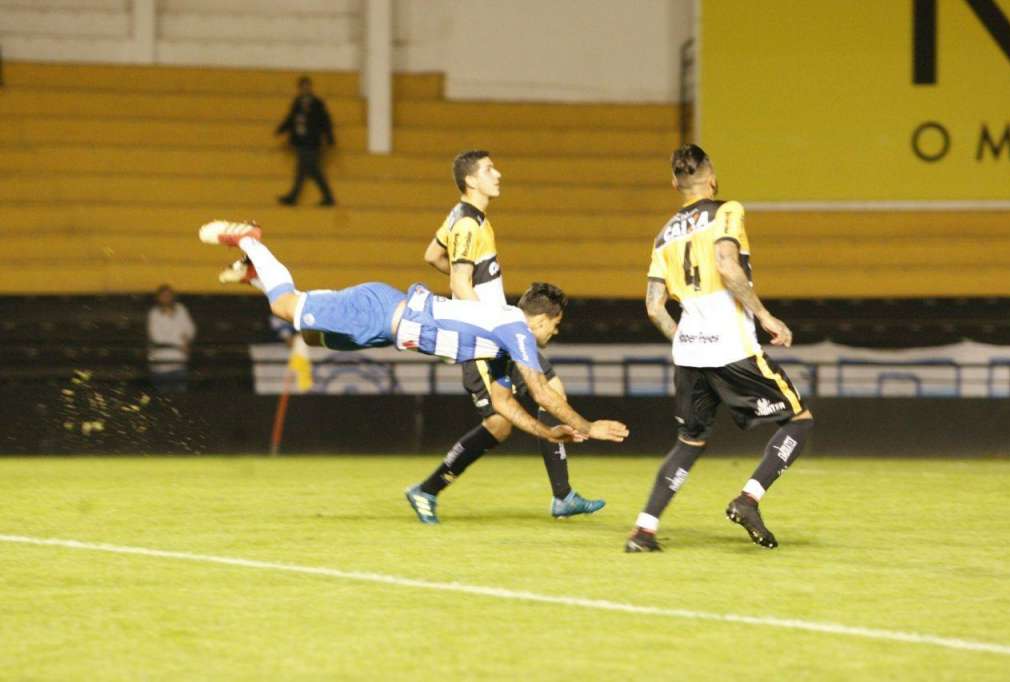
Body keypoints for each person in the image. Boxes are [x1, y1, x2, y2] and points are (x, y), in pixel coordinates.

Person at [201, 221, 629, 483]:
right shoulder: (515, 327)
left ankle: (256, 276)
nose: (554, 333)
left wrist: (547, 432)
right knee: (285, 306)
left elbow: (503, 402)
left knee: (313, 338)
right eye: (556, 325)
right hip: (379, 311)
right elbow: (542, 394)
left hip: (382, 332)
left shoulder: (496, 343)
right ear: (541, 319)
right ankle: (250, 241)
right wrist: (586, 427)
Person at [624, 145, 814, 553]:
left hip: (689, 353)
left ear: (676, 183)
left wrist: (687, 339)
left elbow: (654, 307)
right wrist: (766, 317)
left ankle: (644, 530)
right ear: (711, 178)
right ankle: (749, 499)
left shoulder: (663, 236)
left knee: (689, 441)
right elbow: (727, 265)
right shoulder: (727, 210)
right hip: (732, 345)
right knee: (799, 421)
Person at [408, 150, 605, 523]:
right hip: (486, 339)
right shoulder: (468, 224)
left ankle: (562, 496)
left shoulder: (466, 218)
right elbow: (459, 282)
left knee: (550, 389)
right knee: (499, 424)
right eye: (488, 169)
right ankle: (427, 490)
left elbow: (433, 254)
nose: (497, 174)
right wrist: (487, 323)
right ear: (471, 181)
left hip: (495, 332)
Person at [275, 76, 336, 207]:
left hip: (312, 142)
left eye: (307, 86)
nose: (305, 89)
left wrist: (330, 137)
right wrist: (282, 129)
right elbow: (291, 119)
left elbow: (325, 121)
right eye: (303, 87)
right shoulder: (297, 103)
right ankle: (324, 197)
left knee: (308, 171)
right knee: (309, 171)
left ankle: (295, 197)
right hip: (300, 142)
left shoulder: (317, 104)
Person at [146, 284, 196, 393]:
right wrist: (181, 342)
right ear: (158, 298)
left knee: (181, 400)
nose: (166, 298)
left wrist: (186, 339)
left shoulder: (181, 310)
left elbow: (190, 329)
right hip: (160, 364)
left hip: (179, 363)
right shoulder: (154, 314)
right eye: (163, 295)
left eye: (169, 295)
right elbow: (157, 337)